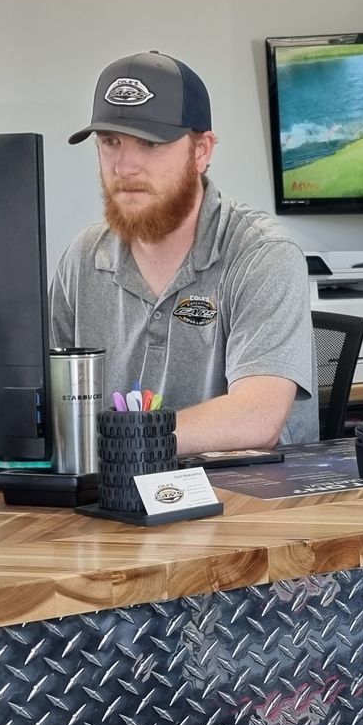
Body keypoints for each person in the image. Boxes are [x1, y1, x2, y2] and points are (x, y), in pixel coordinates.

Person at [52, 52, 316, 453]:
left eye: (148, 143)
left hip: (245, 504)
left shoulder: (264, 256)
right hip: (117, 497)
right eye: (110, 142)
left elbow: (257, 417)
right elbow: (42, 396)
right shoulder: (85, 257)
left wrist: (124, 443)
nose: (124, 167)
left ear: (201, 151)